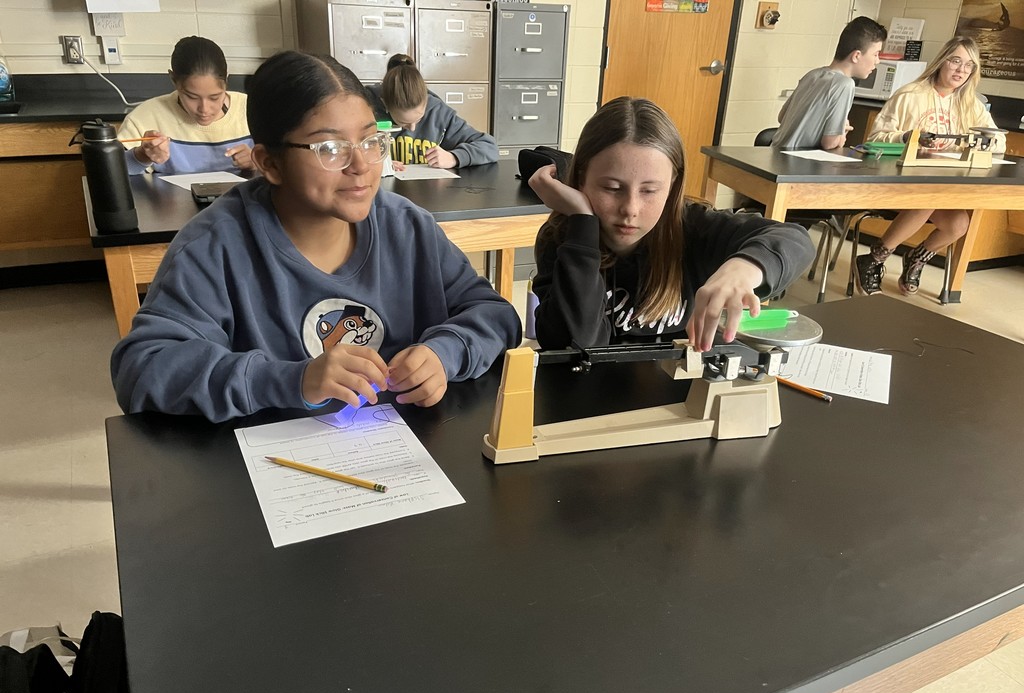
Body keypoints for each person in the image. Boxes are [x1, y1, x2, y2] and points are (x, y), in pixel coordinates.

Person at [110, 51, 521, 422]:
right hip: (271, 471)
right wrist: (290, 380)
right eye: (329, 148)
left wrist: (444, 352)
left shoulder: (407, 227)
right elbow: (143, 369)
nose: (361, 164)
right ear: (269, 163)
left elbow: (495, 315)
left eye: (371, 140)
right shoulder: (215, 246)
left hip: (403, 454)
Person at [528, 97, 815, 353]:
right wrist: (582, 222)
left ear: (673, 186)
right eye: (612, 188)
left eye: (650, 191)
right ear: (581, 179)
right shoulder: (563, 239)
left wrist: (742, 269)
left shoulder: (694, 226)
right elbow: (574, 344)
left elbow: (794, 239)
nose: (630, 209)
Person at [856, 35, 1006, 296]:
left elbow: (999, 140)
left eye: (968, 65)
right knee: (929, 197)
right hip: (898, 182)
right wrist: (908, 137)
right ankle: (875, 258)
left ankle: (917, 258)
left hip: (942, 186)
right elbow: (874, 138)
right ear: (942, 62)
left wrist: (982, 142)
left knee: (959, 223)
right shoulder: (910, 95)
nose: (961, 70)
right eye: (955, 61)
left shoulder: (972, 104)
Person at [116, 36, 254, 176]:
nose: (204, 109)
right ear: (173, 80)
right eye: (192, 97)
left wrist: (258, 161)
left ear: (226, 80)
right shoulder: (145, 118)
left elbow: (275, 166)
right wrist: (141, 157)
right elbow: (110, 171)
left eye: (215, 97)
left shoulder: (253, 109)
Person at [772, 16, 887, 150]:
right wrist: (842, 131)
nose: (877, 61)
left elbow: (782, 117)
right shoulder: (845, 84)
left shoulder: (813, 74)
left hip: (775, 155)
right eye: (875, 54)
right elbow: (830, 143)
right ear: (856, 56)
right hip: (796, 164)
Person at [365, 54, 497, 169]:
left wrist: (454, 157)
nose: (412, 128)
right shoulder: (366, 109)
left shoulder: (438, 112)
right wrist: (376, 165)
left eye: (419, 119)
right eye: (403, 122)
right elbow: (347, 150)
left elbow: (489, 147)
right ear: (385, 104)